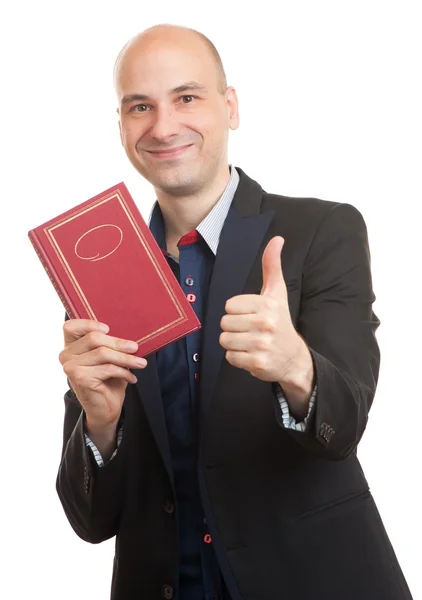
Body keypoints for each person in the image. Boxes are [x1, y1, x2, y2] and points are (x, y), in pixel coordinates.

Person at [56, 24, 413, 600]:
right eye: (140, 106)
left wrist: (298, 369)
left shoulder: (322, 231)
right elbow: (91, 522)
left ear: (230, 107)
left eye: (187, 97)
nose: (164, 125)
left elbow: (343, 427)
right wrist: (99, 423)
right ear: (121, 126)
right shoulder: (100, 265)